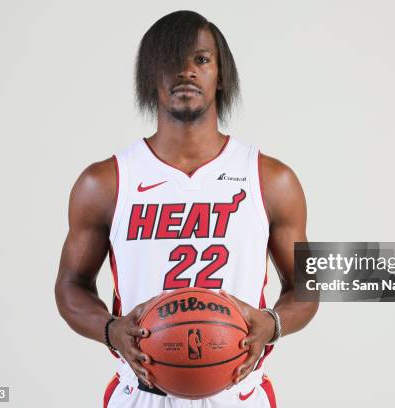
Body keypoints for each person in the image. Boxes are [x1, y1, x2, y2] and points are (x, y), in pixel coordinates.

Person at [55, 10, 318, 408]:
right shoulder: (106, 182)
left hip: (238, 395)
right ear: (150, 77)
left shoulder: (270, 179)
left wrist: (272, 324)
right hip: (141, 394)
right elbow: (70, 285)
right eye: (171, 60)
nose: (186, 72)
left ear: (221, 75)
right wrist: (111, 330)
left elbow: (306, 285)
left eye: (201, 59)